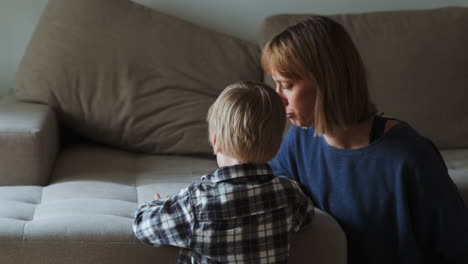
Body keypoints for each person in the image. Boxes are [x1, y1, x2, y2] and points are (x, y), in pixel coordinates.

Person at [261, 16, 468, 264]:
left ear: (327, 83)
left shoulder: (410, 158)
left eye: (286, 85)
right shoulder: (298, 141)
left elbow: (454, 248)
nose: (278, 97)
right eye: (276, 84)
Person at [133, 81, 314, 263]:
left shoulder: (197, 203)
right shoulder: (289, 193)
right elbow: (305, 218)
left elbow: (143, 227)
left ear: (215, 141)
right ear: (277, 149)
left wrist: (157, 205)